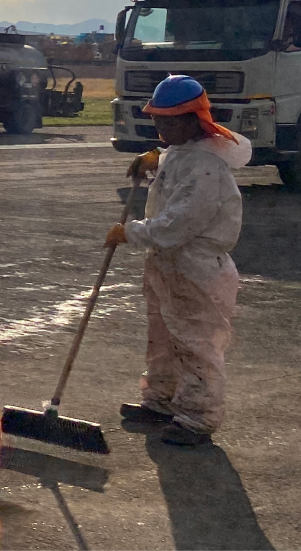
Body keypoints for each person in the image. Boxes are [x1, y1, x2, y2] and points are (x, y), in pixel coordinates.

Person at [109, 75, 250, 447]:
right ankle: (161, 401)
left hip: (196, 268)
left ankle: (197, 418)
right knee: (162, 338)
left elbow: (180, 223)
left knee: (195, 343)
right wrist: (156, 161)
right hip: (168, 266)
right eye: (157, 119)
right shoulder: (184, 153)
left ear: (194, 121)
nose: (160, 126)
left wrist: (131, 232)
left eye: (169, 120)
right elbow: (177, 173)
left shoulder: (208, 167)